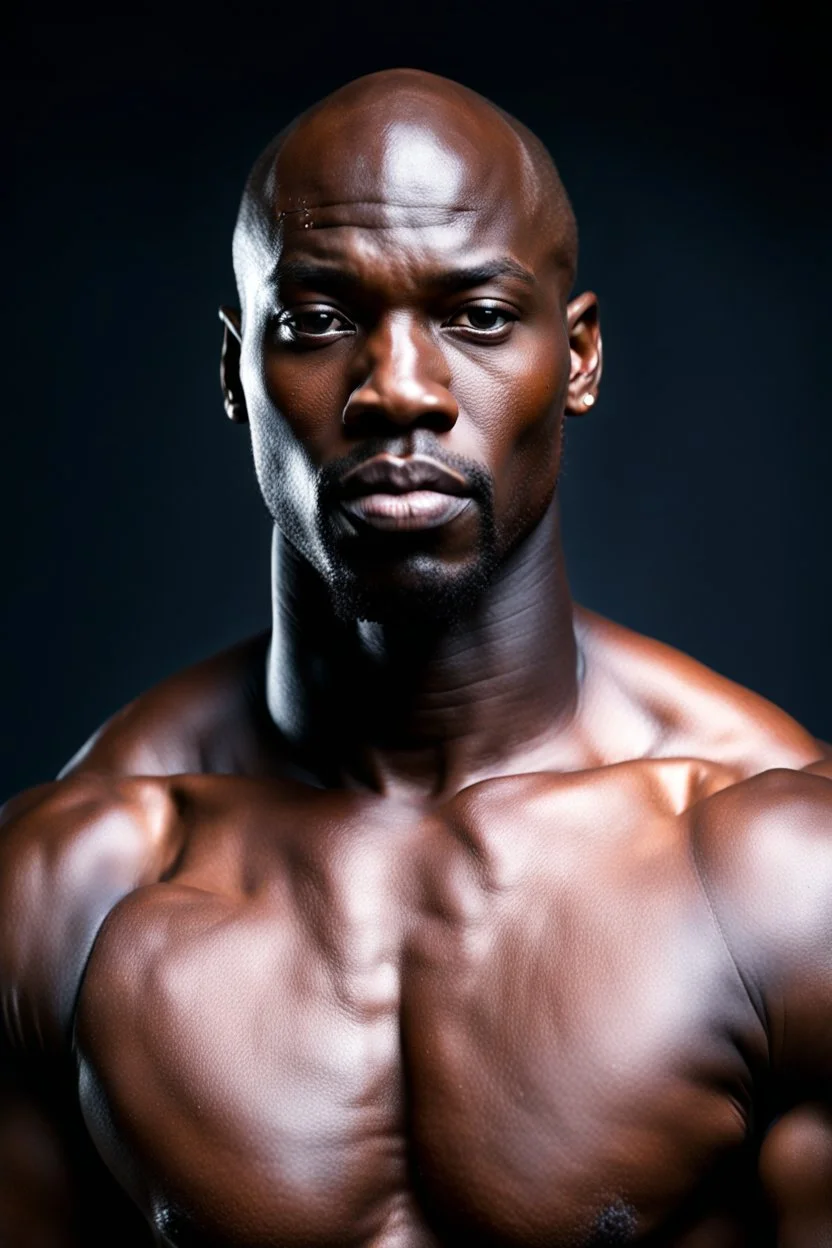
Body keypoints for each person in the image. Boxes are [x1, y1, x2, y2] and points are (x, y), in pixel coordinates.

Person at [1, 68, 830, 1248]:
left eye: (477, 316)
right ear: (235, 371)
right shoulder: (66, 894)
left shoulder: (781, 876)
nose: (399, 391)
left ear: (579, 358)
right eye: (321, 320)